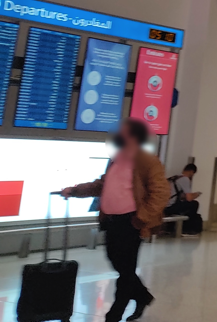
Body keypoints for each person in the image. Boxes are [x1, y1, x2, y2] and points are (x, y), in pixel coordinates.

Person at [61, 119, 170, 322]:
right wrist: (74, 191)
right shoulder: (116, 159)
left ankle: (114, 315)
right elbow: (101, 185)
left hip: (131, 222)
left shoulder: (148, 161)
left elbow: (161, 192)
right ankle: (143, 296)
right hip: (111, 222)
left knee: (126, 270)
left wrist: (141, 218)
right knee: (117, 262)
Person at [164, 164, 201, 234]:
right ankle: (188, 229)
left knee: (183, 205)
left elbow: (178, 195)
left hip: (164, 206)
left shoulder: (175, 178)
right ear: (191, 172)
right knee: (194, 204)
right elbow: (189, 198)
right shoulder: (185, 179)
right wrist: (196, 194)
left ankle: (170, 227)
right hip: (170, 207)